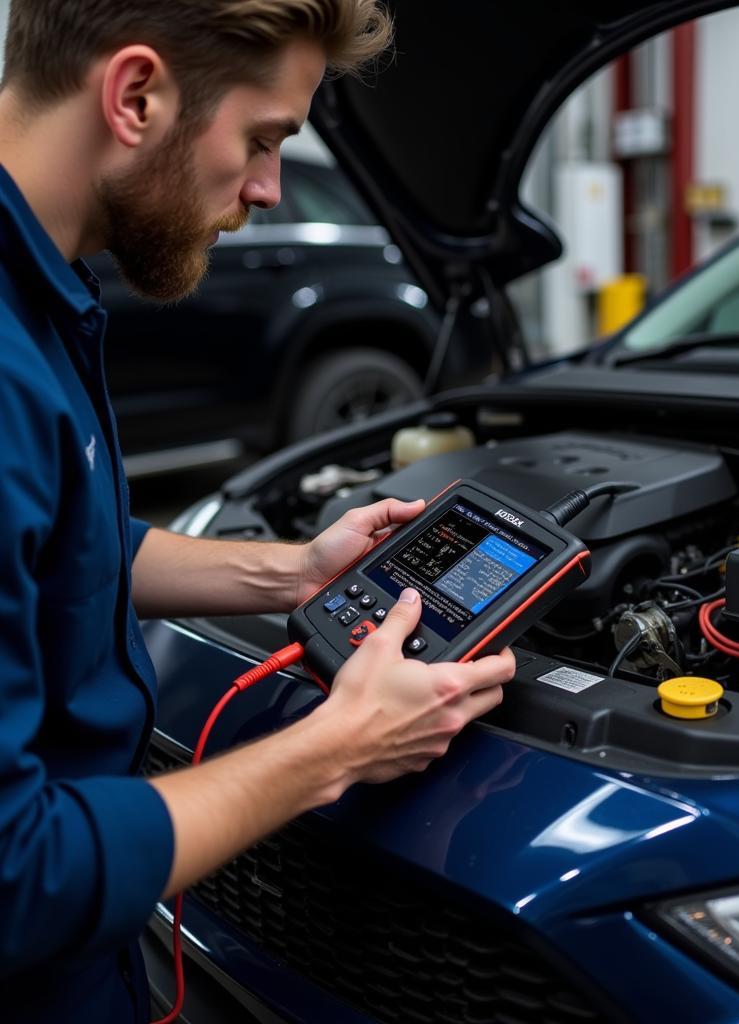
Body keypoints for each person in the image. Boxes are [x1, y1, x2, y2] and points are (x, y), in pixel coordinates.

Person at [0, 2, 517, 1021]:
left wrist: (292, 570)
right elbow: (17, 876)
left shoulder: (41, 290)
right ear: (136, 95)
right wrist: (338, 748)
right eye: (264, 138)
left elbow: (69, 538)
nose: (269, 189)